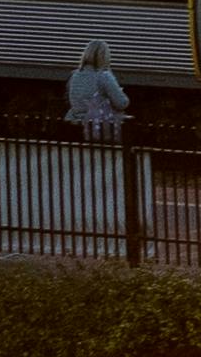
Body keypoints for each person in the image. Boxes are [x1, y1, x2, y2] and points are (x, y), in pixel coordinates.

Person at [63, 40, 146, 259]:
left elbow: (73, 102)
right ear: (104, 56)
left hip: (77, 128)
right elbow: (122, 103)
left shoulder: (75, 76)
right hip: (102, 131)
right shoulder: (104, 76)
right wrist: (119, 92)